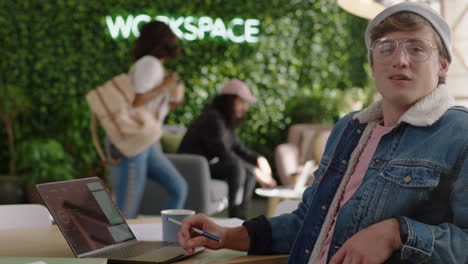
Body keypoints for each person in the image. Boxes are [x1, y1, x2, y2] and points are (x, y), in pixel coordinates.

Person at [176, 2, 468, 263]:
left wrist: (399, 233)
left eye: (417, 48)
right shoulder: (349, 128)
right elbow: (311, 222)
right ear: (372, 65)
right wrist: (227, 236)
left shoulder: (460, 133)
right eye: (386, 48)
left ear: (443, 64)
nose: (400, 60)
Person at [108, 21, 188, 219]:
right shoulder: (149, 64)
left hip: (146, 141)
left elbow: (145, 105)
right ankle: (110, 247)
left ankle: (171, 238)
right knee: (125, 209)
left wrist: (169, 103)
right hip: (134, 140)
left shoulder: (152, 65)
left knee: (178, 187)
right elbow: (136, 100)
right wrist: (166, 86)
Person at [177, 79, 277, 219]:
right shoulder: (212, 118)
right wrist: (254, 169)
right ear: (230, 100)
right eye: (242, 102)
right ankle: (234, 217)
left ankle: (241, 219)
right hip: (193, 168)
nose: (245, 108)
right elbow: (224, 153)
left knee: (247, 172)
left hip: (206, 167)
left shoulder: (225, 122)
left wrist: (259, 159)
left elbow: (238, 148)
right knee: (236, 167)